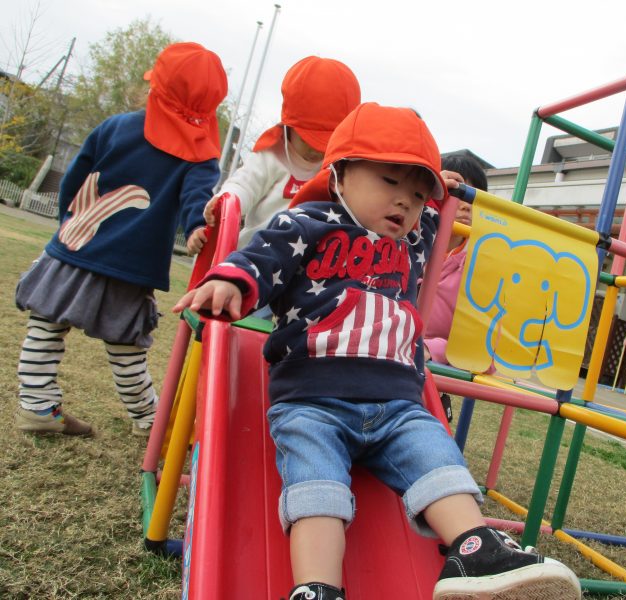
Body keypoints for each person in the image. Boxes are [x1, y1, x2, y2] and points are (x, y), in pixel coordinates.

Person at [173, 102, 581, 600]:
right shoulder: (307, 223)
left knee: (438, 460)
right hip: (312, 399)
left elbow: (443, 212)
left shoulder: (412, 240)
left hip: (399, 404)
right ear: (340, 173)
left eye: (414, 194)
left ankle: (478, 550)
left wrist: (443, 191)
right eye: (389, 182)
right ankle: (317, 588)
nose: (404, 203)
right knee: (315, 484)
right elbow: (261, 257)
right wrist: (231, 283)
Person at [14, 42, 228, 437]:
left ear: (156, 89)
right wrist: (199, 227)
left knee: (45, 327)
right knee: (127, 350)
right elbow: (199, 201)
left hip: (77, 244)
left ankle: (36, 403)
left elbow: (74, 182)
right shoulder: (200, 154)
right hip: (131, 265)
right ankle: (148, 421)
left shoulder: (116, 127)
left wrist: (68, 226)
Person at [200, 55, 361, 251]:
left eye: (325, 143)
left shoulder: (338, 170)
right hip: (256, 256)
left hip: (306, 266)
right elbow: (244, 184)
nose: (315, 149)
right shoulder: (272, 157)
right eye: (306, 139)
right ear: (288, 127)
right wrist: (226, 200)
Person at [423, 153, 488, 365]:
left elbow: (483, 347)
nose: (466, 205)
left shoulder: (480, 267)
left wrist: (431, 349)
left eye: (473, 198)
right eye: (456, 194)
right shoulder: (405, 241)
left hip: (428, 369)